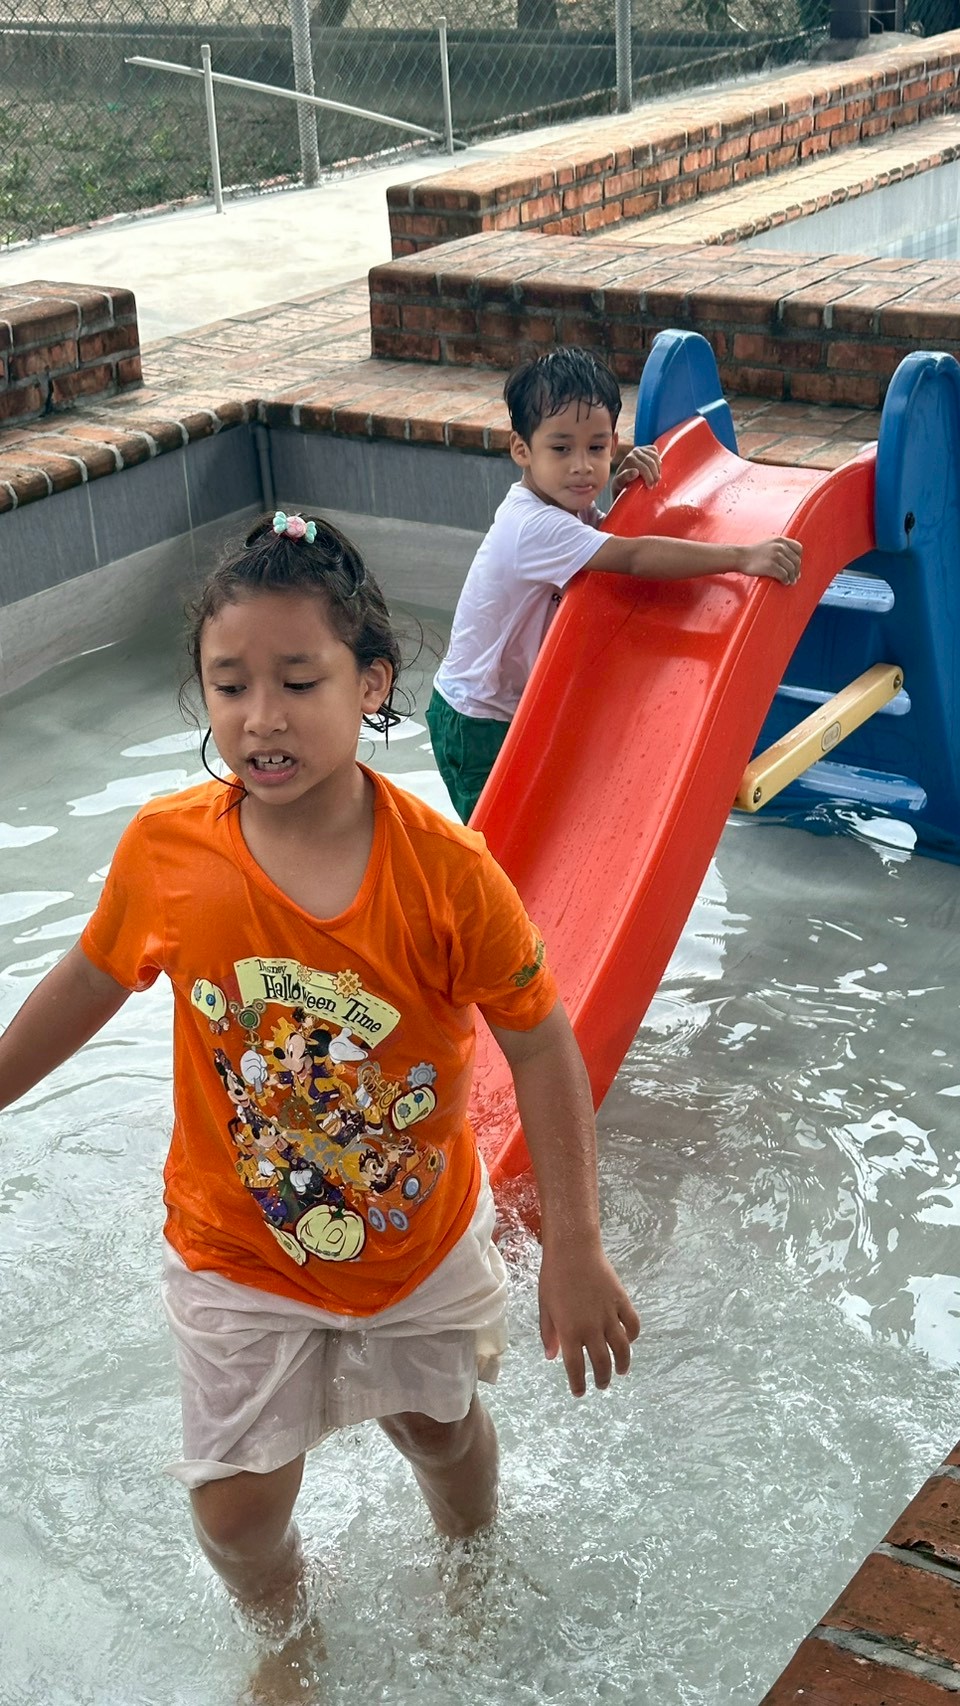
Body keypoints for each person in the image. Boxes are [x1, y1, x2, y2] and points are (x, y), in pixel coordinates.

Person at [0, 510, 639, 1639]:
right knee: (237, 1507)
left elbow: (541, 1042)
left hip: (413, 1243)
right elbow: (89, 980)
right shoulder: (170, 852)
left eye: (300, 680)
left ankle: (470, 1549)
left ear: (372, 683)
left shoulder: (448, 875)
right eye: (230, 685)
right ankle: (287, 1630)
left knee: (437, 1430)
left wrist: (575, 1244)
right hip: (237, 1247)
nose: (262, 716)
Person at [427, 346, 804, 822]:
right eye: (561, 449)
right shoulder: (532, 526)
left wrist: (624, 494)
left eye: (597, 448)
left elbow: (605, 539)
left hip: (513, 707)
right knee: (495, 841)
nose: (582, 466)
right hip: (475, 719)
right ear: (521, 450)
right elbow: (634, 555)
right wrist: (742, 557)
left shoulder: (566, 509)